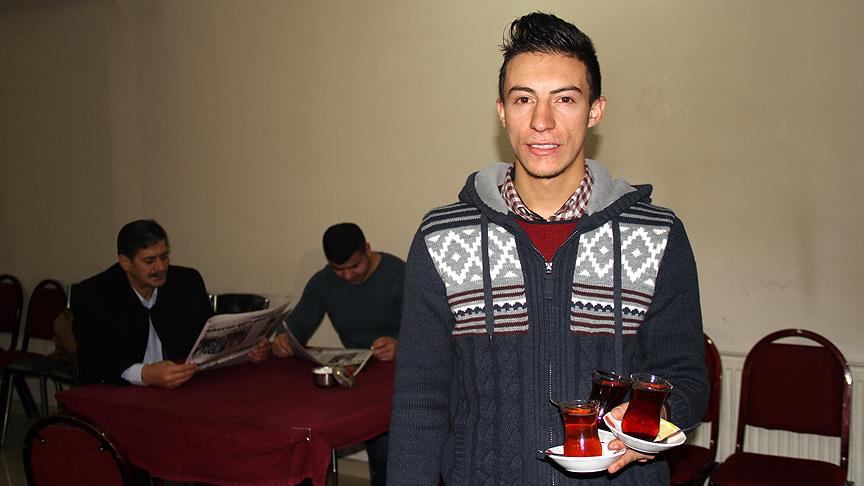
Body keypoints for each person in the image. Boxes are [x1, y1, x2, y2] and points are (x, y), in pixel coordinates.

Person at [387, 12, 708, 485]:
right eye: (524, 99)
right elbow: (419, 401)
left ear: (595, 110)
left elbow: (686, 380)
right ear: (502, 111)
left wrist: (649, 424)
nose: (542, 121)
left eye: (565, 99)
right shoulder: (442, 237)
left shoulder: (658, 234)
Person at [272, 222, 403, 486]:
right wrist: (283, 338)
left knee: (386, 444)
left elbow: (431, 327)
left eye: (354, 266)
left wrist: (401, 345)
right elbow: (298, 323)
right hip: (356, 375)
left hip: (398, 373)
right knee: (303, 420)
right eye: (338, 269)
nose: (347, 276)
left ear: (367, 249)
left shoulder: (399, 274)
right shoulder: (324, 281)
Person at [72, 219, 270, 388]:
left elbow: (206, 338)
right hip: (118, 391)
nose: (160, 268)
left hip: (182, 387)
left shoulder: (186, 282)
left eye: (164, 257)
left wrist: (245, 349)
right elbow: (93, 362)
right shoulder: (93, 295)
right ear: (125, 262)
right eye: (150, 261)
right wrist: (144, 374)